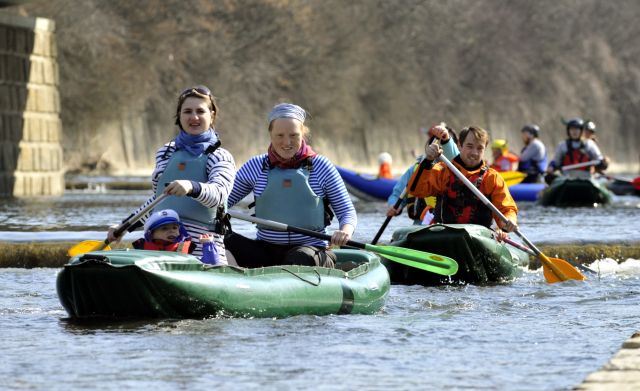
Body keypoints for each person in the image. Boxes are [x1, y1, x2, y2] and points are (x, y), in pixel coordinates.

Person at [108, 85, 236, 264]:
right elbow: (157, 202)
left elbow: (219, 195)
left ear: (212, 115)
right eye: (187, 111)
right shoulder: (165, 153)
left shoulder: (220, 156)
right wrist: (124, 227)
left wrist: (191, 187)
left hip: (203, 251)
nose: (194, 117)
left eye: (200, 111)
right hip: (161, 250)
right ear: (179, 116)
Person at [224, 103, 356, 268]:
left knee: (300, 256)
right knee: (222, 239)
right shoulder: (256, 166)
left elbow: (347, 212)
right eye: (280, 135)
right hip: (265, 250)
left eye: (294, 135)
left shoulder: (321, 166)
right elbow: (222, 201)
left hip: (311, 251)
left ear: (303, 134)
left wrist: (345, 231)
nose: (287, 142)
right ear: (270, 134)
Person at [407, 125, 518, 242]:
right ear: (459, 145)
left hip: (479, 238)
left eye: (480, 148)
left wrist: (509, 222)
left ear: (485, 149)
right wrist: (428, 161)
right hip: (444, 234)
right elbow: (416, 190)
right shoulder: (442, 171)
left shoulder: (492, 177)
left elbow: (507, 209)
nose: (474, 153)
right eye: (470, 146)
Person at [386, 125, 459, 225]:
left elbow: (455, 159)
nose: (439, 149)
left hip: (451, 226)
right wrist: (393, 206)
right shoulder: (415, 170)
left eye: (445, 146)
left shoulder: (459, 170)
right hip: (420, 227)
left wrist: (447, 141)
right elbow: (397, 195)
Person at [545, 117, 606, 183]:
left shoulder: (589, 144)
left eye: (577, 129)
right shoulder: (562, 146)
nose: (574, 132)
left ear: (581, 130)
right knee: (548, 178)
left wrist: (603, 163)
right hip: (567, 178)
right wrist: (551, 167)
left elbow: (599, 160)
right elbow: (556, 163)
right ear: (568, 131)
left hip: (586, 178)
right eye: (572, 129)